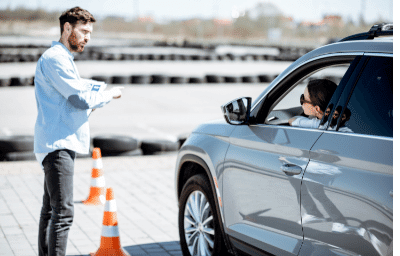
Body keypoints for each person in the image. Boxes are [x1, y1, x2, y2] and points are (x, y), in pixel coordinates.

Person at [34, 7, 123, 256]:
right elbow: (78, 99)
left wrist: (95, 91)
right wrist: (109, 94)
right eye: (83, 31)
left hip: (58, 142)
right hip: (58, 145)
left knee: (50, 210)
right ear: (67, 28)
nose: (87, 37)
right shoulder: (55, 59)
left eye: (90, 33)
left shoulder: (63, 59)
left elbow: (75, 94)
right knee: (63, 213)